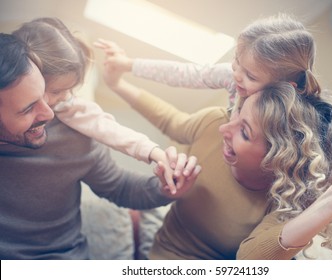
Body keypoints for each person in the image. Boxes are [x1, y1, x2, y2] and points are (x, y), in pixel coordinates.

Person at [97, 50, 332, 259]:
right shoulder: (214, 122)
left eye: (244, 132)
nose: (226, 127)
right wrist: (117, 84)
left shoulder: (284, 200)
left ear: (275, 159)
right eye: (237, 112)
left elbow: (249, 260)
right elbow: (170, 119)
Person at [94, 13, 332, 207]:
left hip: (262, 196)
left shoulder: (300, 105)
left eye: (250, 76)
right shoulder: (233, 75)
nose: (237, 76)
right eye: (237, 62)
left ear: (286, 85)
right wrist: (129, 64)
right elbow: (186, 73)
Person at [0, 33, 200, 259]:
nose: (49, 113)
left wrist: (165, 187)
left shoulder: (74, 133)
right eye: (27, 109)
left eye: (45, 94)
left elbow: (120, 187)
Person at [11, 17, 195, 194]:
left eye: (69, 90)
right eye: (57, 91)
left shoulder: (68, 108)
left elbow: (108, 128)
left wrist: (155, 153)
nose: (66, 97)